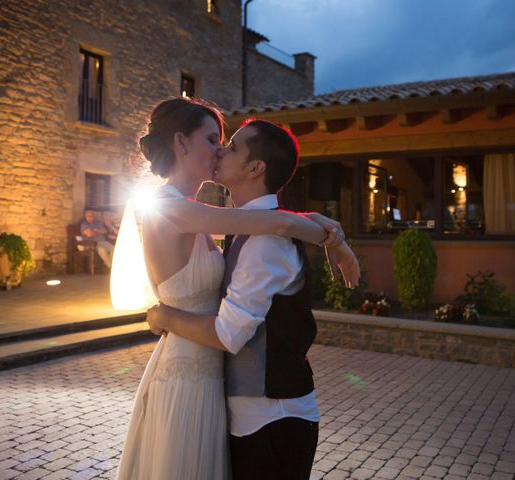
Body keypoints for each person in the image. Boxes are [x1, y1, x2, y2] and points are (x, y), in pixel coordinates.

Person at [116, 98, 358, 480]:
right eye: (214, 139)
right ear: (181, 143)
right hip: (187, 375)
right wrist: (333, 238)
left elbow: (267, 222)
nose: (220, 150)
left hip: (219, 384)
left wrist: (329, 233)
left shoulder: (200, 213)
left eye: (227, 144)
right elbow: (275, 224)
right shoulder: (170, 208)